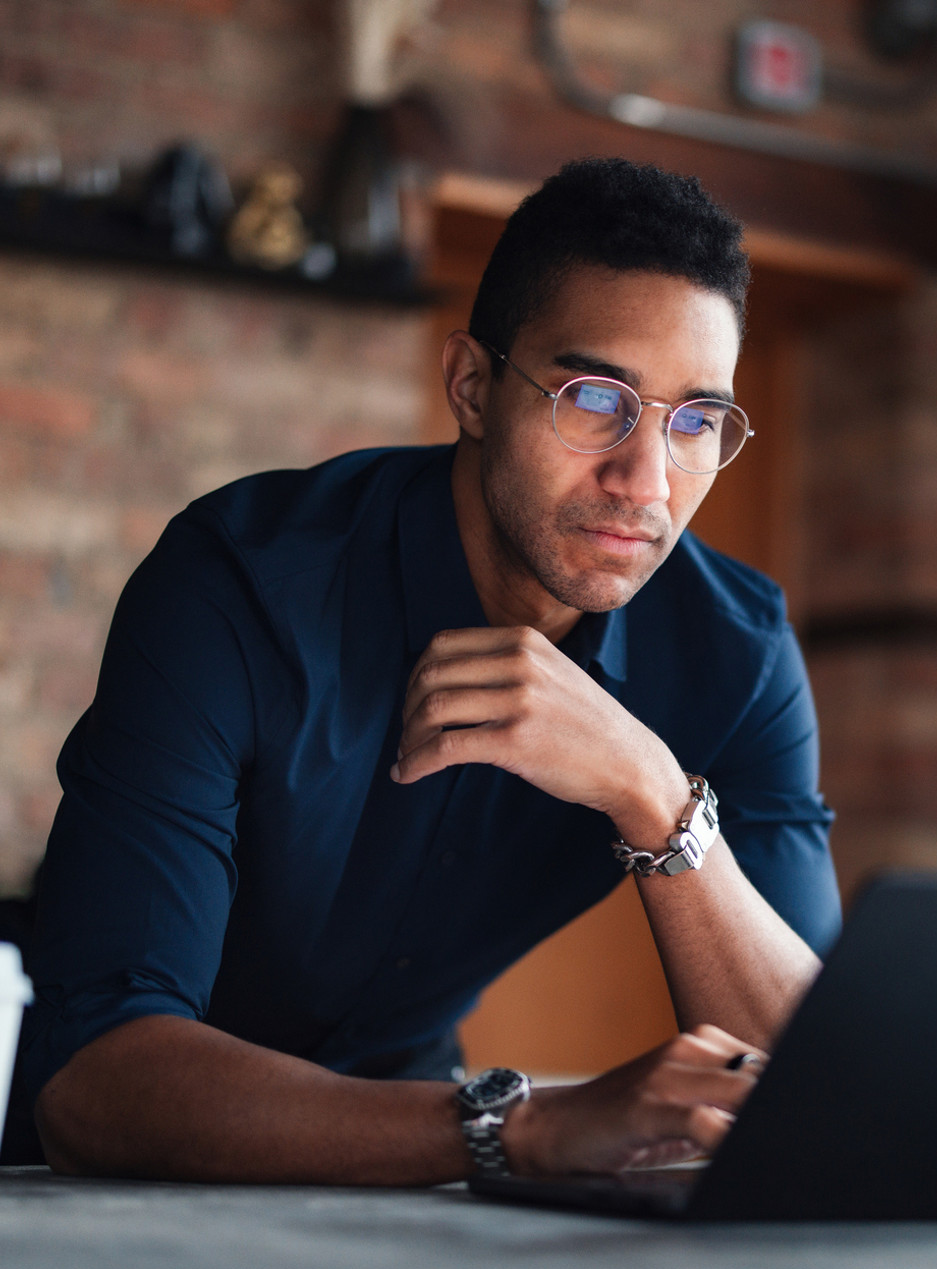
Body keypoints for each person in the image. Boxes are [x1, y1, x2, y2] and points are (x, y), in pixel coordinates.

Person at [17, 158, 842, 1185]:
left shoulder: (736, 650)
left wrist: (655, 793)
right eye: (595, 399)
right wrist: (525, 1126)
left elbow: (820, 1082)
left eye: (694, 422)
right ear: (471, 387)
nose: (647, 482)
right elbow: (93, 1079)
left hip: (417, 1167)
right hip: (129, 1180)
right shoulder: (242, 584)